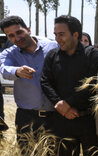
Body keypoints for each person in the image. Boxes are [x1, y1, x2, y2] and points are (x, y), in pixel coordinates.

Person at [40, 15, 98, 156]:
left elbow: (92, 83)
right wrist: (60, 105)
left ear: (75, 34)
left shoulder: (92, 54)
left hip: (88, 121)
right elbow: (45, 81)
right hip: (61, 122)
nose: (57, 39)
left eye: (61, 34)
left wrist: (66, 104)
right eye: (55, 35)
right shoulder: (52, 56)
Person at [0, 16, 57, 147]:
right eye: (11, 36)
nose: (17, 38)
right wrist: (17, 71)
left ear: (28, 29)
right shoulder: (9, 54)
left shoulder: (52, 47)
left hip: (55, 115)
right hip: (26, 118)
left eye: (19, 32)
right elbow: (4, 69)